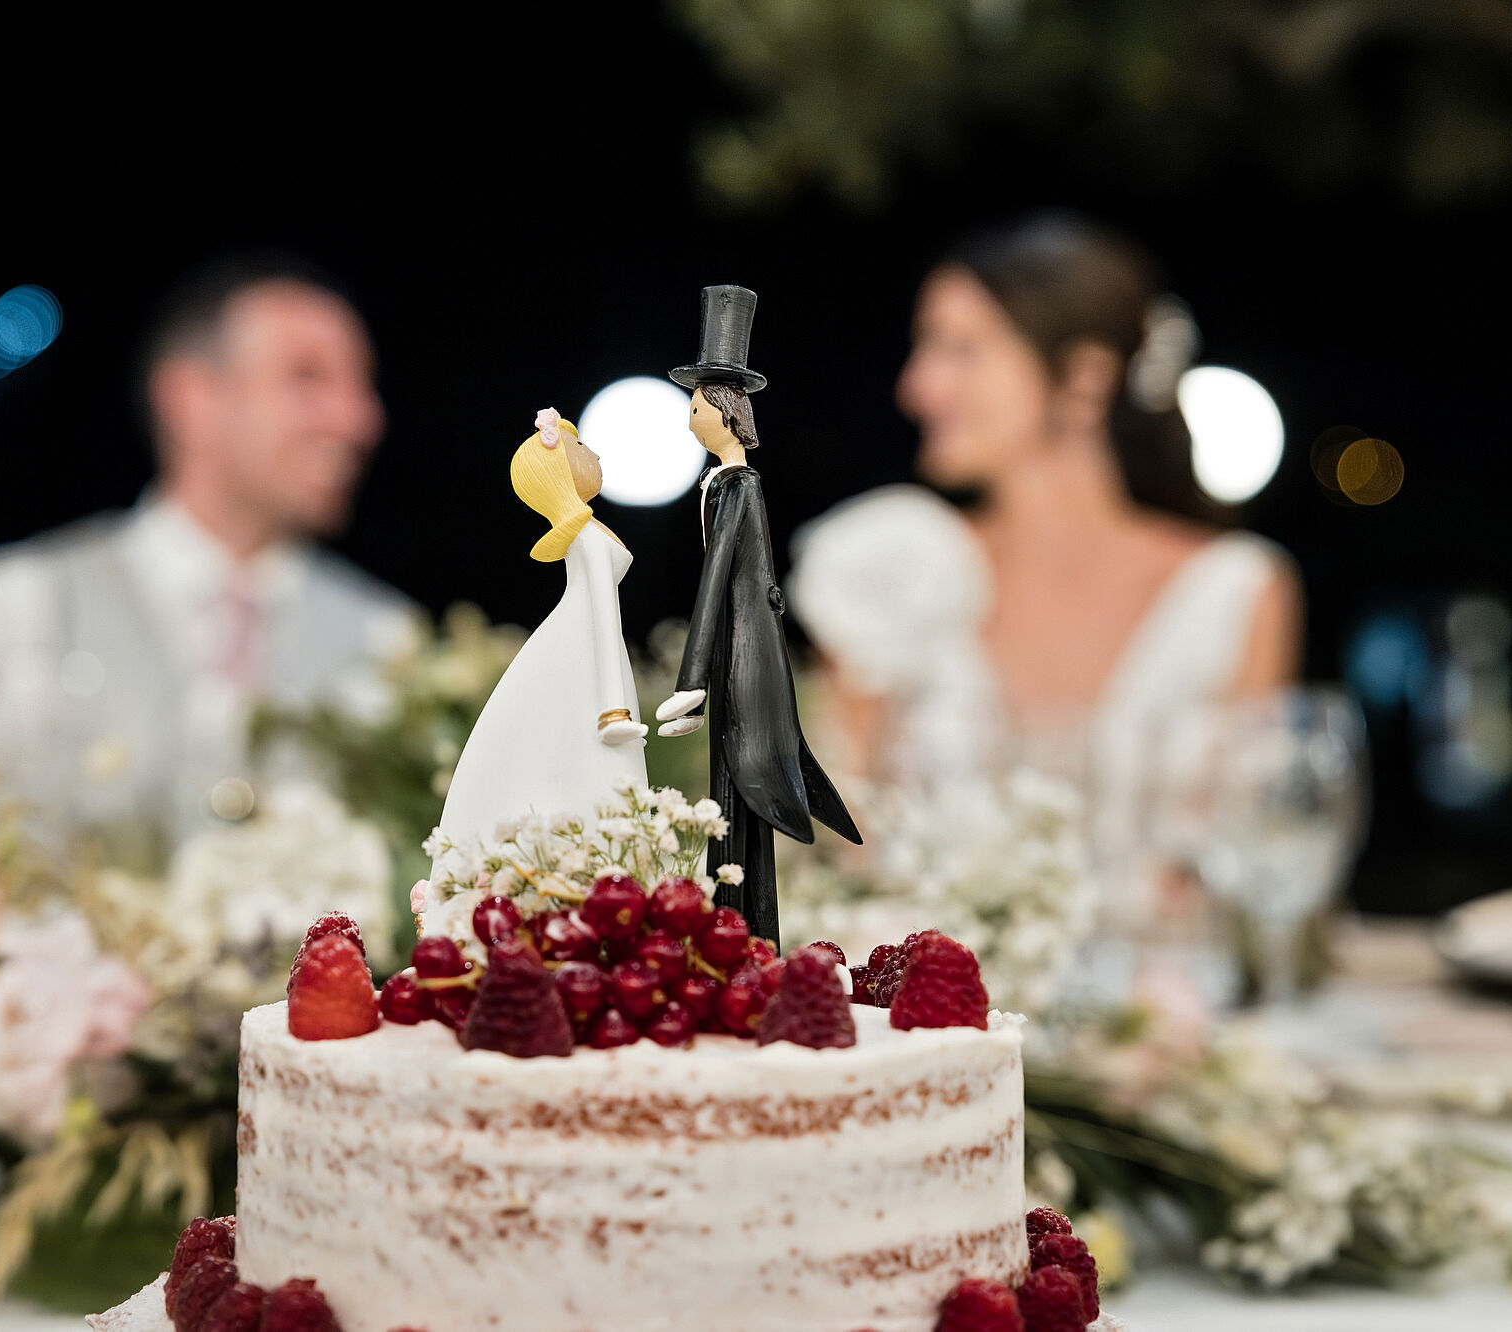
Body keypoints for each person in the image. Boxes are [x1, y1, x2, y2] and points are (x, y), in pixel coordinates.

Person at [789, 213, 1301, 920]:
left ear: (1085, 378)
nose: (918, 387)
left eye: (961, 350)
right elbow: (836, 841)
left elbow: (1260, 866)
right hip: (941, 1010)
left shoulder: (1236, 590)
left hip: (1171, 1015)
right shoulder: (889, 568)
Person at [0, 252, 417, 837]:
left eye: (362, 385)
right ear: (191, 398)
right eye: (308, 377)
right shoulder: (19, 604)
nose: (358, 419)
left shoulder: (389, 641)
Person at [657, 287, 859, 949]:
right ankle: (729, 932)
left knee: (740, 782)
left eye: (695, 406)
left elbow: (717, 584)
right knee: (727, 785)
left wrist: (694, 679)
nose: (688, 418)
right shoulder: (722, 483)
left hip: (745, 661)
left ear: (722, 412)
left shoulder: (739, 487)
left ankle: (745, 935)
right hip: (737, 654)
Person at [434, 409, 646, 854]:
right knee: (586, 753)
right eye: (582, 449)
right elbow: (607, 618)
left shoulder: (588, 532)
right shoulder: (587, 537)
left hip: (585, 645)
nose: (596, 454)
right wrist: (614, 710)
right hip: (590, 648)